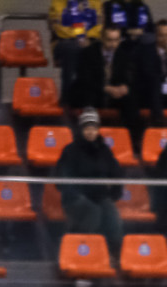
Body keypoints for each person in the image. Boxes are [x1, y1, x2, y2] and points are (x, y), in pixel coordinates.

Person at [55, 111, 125, 250]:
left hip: (99, 196)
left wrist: (114, 194)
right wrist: (75, 195)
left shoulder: (104, 150)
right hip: (75, 198)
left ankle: (114, 253)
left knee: (111, 214)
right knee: (93, 211)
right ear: (81, 129)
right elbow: (62, 177)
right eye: (87, 128)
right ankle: (82, 250)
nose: (90, 132)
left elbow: (115, 172)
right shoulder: (70, 151)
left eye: (93, 128)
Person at [49, 0, 103, 101]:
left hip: (91, 41)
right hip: (64, 41)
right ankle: (68, 99)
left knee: (103, 49)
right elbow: (62, 29)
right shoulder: (58, 2)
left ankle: (97, 100)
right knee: (73, 49)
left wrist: (87, 40)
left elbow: (98, 27)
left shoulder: (96, 2)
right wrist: (81, 37)